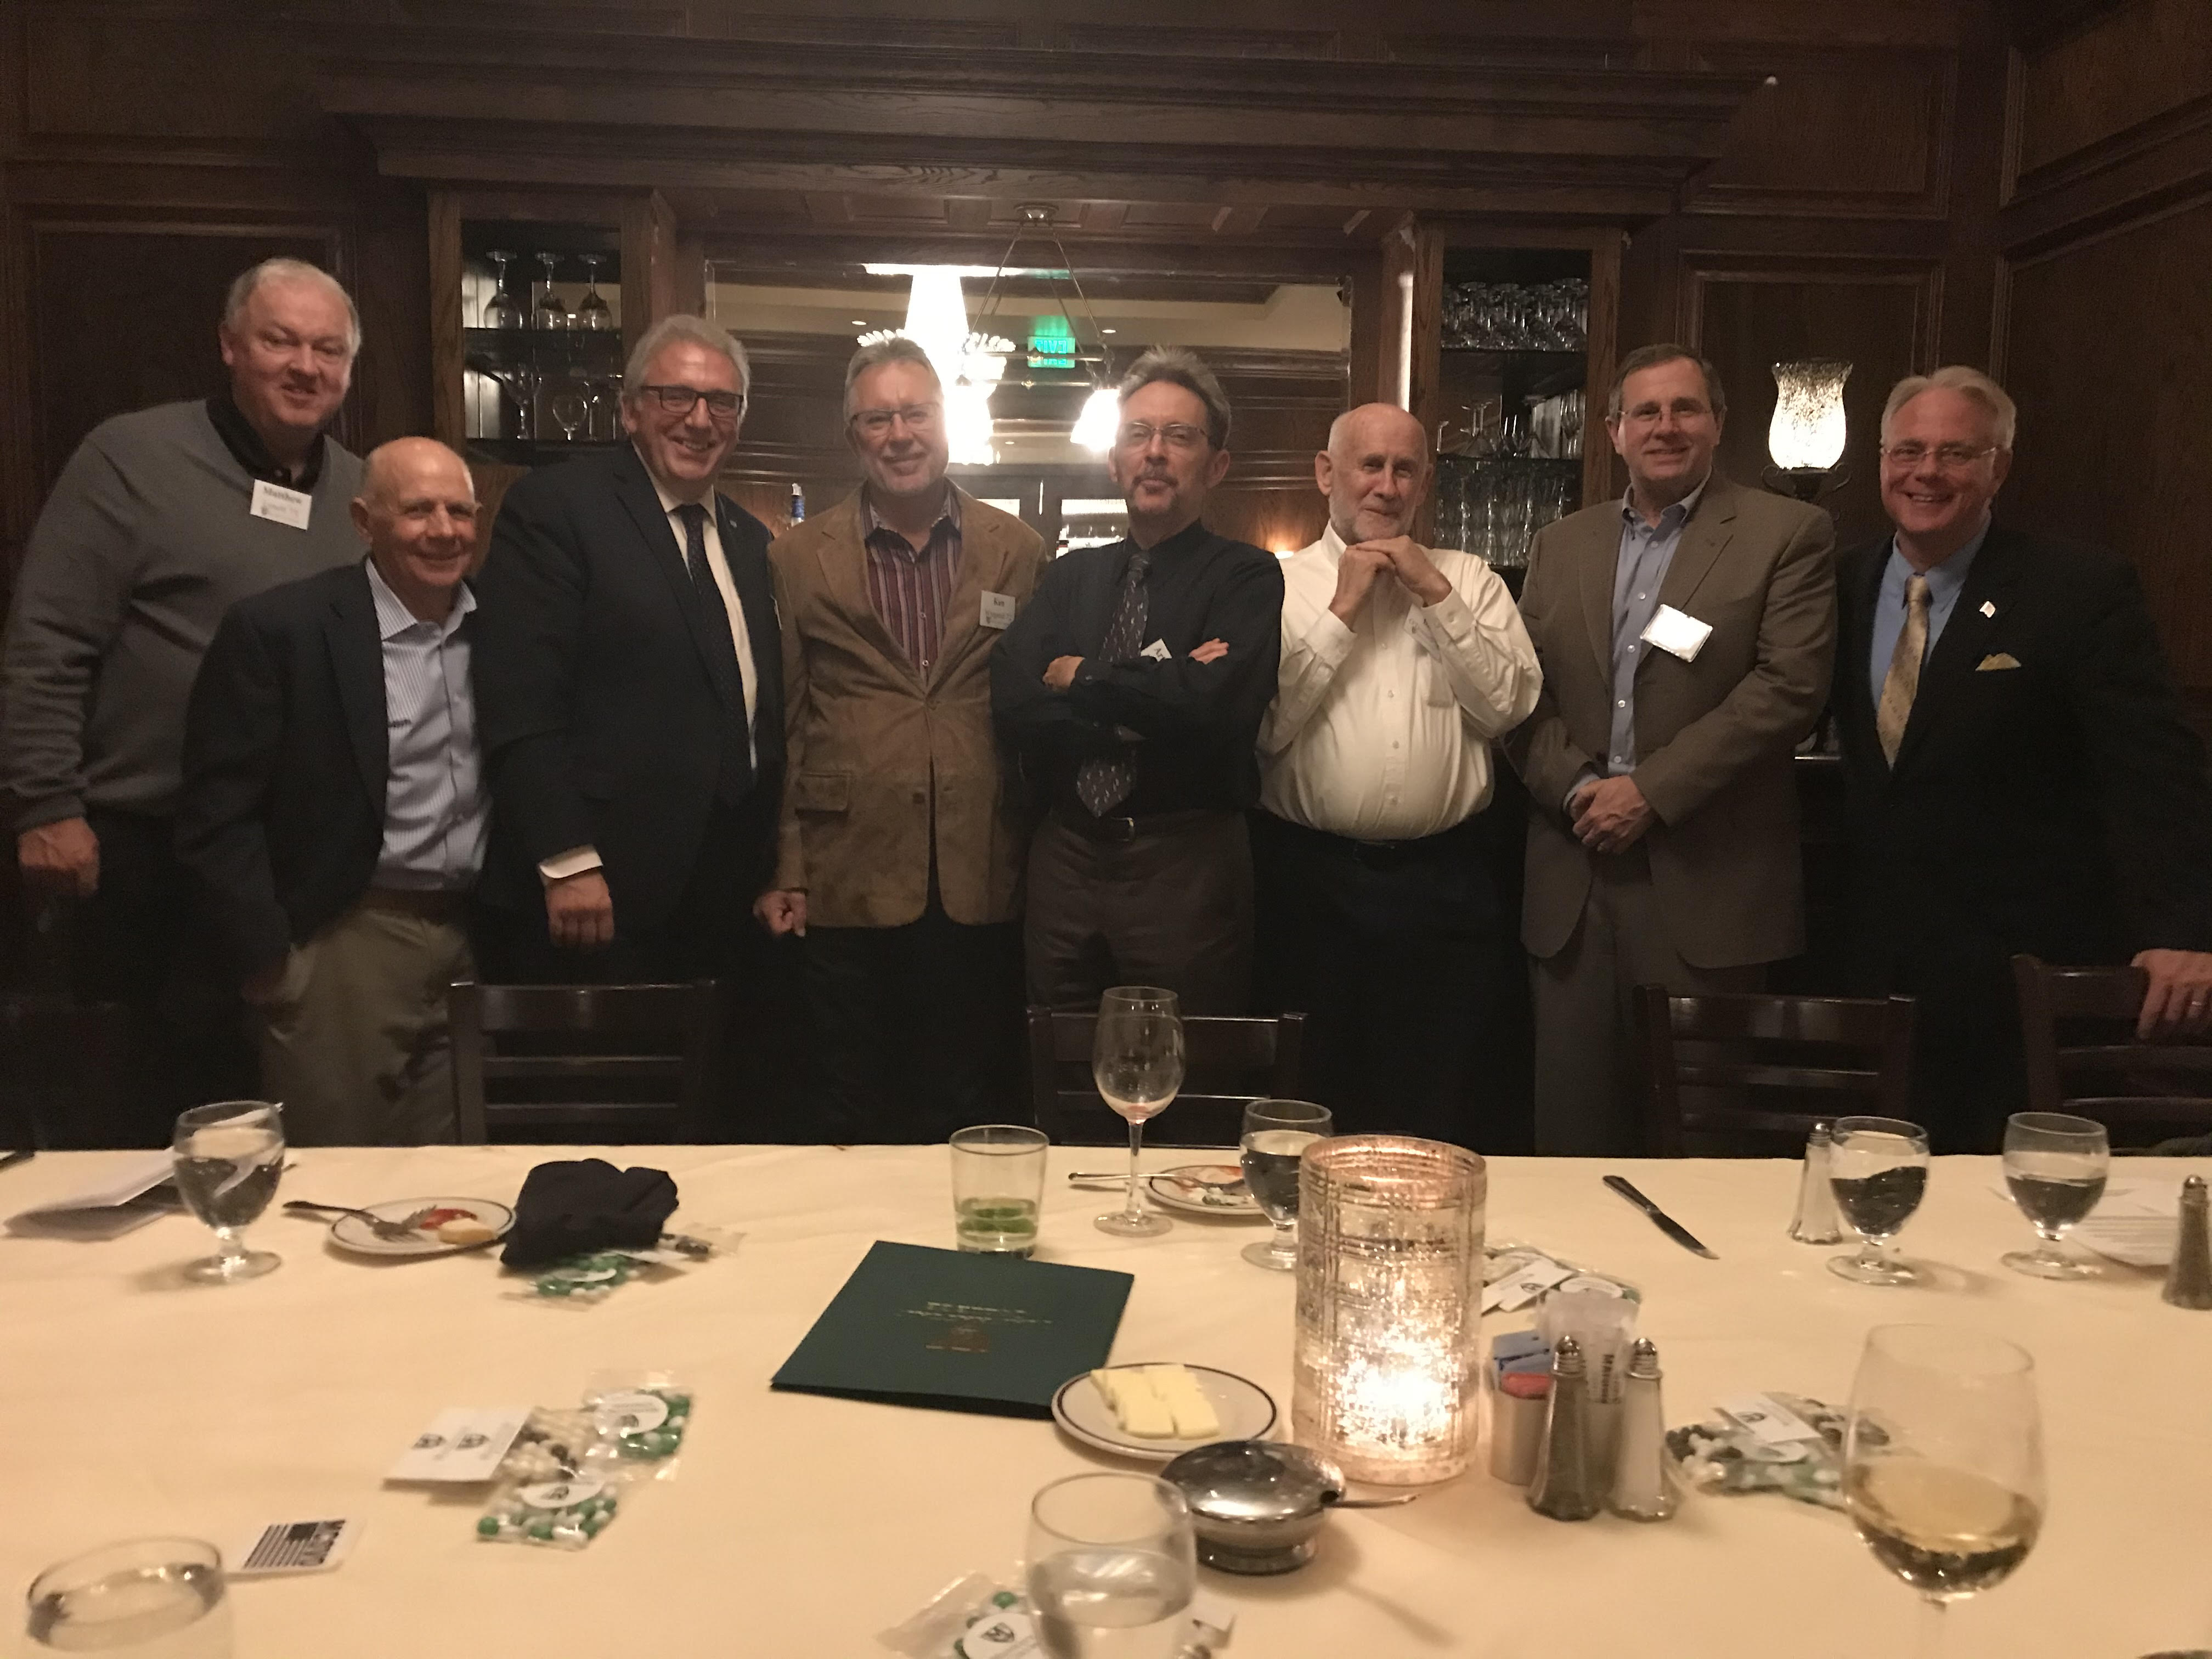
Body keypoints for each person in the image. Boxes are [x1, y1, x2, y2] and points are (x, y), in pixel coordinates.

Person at [0, 257, 366, 1145]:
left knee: (264, 1109)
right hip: (140, 850)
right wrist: (47, 802)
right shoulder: (132, 458)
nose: (304, 366)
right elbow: (48, 639)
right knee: (131, 1114)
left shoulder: (360, 493)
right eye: (281, 340)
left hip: (286, 861)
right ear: (230, 345)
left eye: (328, 348)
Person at [1834, 366, 2212, 1149]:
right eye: (1908, 450)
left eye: (1955, 453)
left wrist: (2181, 929)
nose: (1926, 472)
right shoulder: (1844, 582)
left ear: (1998, 466)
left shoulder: (2077, 588)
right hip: (1872, 960)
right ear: (1880, 461)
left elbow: (2155, 769)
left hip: (2015, 966)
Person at [1509, 343, 1836, 1155]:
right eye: (1645, 412)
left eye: (1685, 408)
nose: (1666, 427)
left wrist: (1648, 792)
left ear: (1719, 424)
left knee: (1701, 1142)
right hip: (1574, 881)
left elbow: (1788, 688)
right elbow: (1518, 693)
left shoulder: (1786, 532)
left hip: (1709, 880)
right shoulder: (1560, 545)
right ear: (1614, 432)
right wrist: (1582, 788)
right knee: (1571, 1140)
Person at [754, 338, 1048, 1143]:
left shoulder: (1016, 550)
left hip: (980, 862)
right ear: (853, 438)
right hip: (848, 866)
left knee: (969, 1095)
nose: (899, 434)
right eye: (877, 419)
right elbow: (787, 715)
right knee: (851, 1096)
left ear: (946, 422)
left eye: (914, 413)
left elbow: (1035, 708)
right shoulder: (794, 558)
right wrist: (786, 865)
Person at [177, 439, 483, 1146]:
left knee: (454, 1180)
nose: (443, 530)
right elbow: (217, 811)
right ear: (363, 520)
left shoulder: (497, 630)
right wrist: (270, 957)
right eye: (417, 510)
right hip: (345, 938)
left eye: (459, 510)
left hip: (468, 940)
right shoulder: (283, 629)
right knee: (333, 1177)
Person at [1254, 403, 1541, 1141]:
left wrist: (1433, 594)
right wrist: (1343, 609)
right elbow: (1266, 730)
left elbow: (1505, 708)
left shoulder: (1471, 581)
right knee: (1312, 1101)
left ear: (1423, 485)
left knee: (1440, 1097)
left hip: (1445, 886)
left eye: (1404, 469)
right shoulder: (1277, 587)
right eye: (1368, 465)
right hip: (1310, 884)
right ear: (1328, 474)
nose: (1385, 485)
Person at [471, 314, 782, 996]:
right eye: (677, 396)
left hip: (727, 900)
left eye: (722, 402)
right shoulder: (557, 508)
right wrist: (565, 856)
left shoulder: (752, 541)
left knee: (714, 1096)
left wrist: (776, 867)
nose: (700, 420)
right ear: (631, 409)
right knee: (603, 1098)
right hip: (600, 893)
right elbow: (517, 694)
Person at [993, 347, 1283, 1014]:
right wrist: (1152, 697)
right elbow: (1013, 701)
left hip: (1185, 865)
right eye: (1138, 435)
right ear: (1114, 460)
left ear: (1216, 466)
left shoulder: (1247, 576)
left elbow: (1218, 712)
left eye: (1179, 437)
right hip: (1064, 858)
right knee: (1055, 1064)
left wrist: (1082, 675)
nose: (1155, 452)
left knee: (1189, 1070)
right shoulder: (1070, 576)